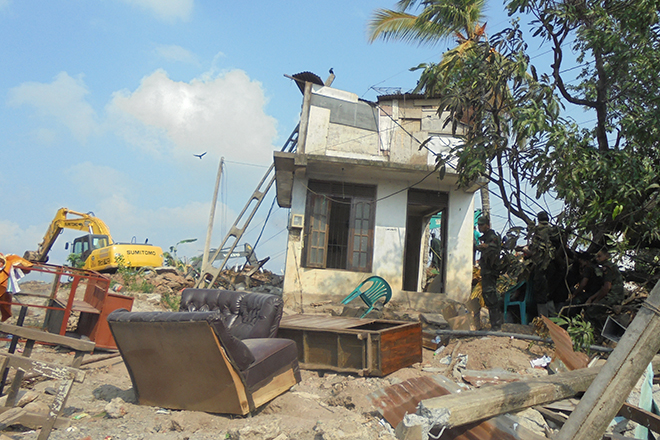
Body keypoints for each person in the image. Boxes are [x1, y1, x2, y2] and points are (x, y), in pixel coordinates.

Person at [526, 211, 559, 317]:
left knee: (540, 293)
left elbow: (534, 249)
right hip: (553, 265)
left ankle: (543, 320)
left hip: (541, 264)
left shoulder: (537, 231)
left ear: (538, 220)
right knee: (549, 293)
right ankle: (553, 319)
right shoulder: (554, 231)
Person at [585, 248, 625, 331]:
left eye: (599, 256)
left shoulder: (607, 268)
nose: (597, 258)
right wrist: (591, 298)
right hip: (616, 295)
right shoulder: (610, 266)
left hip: (614, 296)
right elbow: (603, 288)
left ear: (607, 256)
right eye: (596, 256)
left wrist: (596, 300)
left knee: (590, 312)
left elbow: (607, 287)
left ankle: (593, 331)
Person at [476, 215, 503, 330]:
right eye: (478, 225)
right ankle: (495, 324)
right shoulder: (486, 236)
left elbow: (494, 247)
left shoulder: (492, 236)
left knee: (490, 295)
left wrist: (485, 246)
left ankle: (497, 325)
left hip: (490, 270)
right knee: (488, 295)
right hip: (487, 270)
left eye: (481, 225)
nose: (479, 227)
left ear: (487, 225)